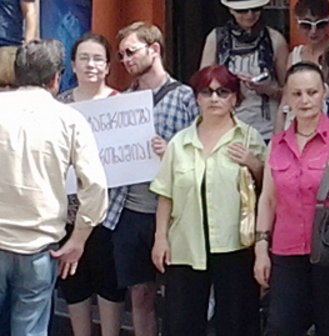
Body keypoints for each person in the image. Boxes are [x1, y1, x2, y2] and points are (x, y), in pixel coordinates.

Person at [253, 62, 329, 336]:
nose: (305, 100)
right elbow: (268, 199)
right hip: (286, 251)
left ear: (324, 93)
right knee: (281, 327)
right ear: (287, 97)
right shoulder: (277, 143)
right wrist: (261, 248)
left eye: (312, 92)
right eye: (297, 94)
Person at [0, 39, 107, 336]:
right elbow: (96, 185)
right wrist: (80, 238)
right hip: (40, 248)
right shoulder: (70, 119)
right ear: (56, 78)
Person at [150, 65, 265, 335]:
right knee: (182, 322)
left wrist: (252, 162)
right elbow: (165, 195)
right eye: (206, 92)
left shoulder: (250, 138)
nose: (214, 98)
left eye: (222, 92)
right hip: (186, 244)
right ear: (197, 98)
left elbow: (268, 191)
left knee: (237, 322)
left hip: (235, 244)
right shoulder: (179, 142)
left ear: (235, 98)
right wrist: (160, 238)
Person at [107, 22, 199, 336]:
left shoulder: (185, 96)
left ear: (154, 49)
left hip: (174, 211)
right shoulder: (122, 101)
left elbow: (202, 151)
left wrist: (171, 152)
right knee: (139, 294)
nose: (126, 60)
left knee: (179, 296)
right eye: (121, 55)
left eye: (131, 52)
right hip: (129, 209)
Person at [56, 33, 125, 336]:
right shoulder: (58, 105)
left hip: (111, 216)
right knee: (74, 286)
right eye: (84, 58)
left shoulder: (123, 104)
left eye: (98, 58)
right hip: (67, 215)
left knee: (110, 287)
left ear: (108, 66)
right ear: (73, 64)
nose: (91, 65)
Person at [199, 0, 289, 142]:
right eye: (243, 10)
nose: (250, 15)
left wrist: (268, 89)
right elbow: (203, 86)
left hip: (266, 130)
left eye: (255, 9)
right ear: (231, 10)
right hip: (227, 130)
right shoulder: (216, 38)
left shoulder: (275, 40)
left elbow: (289, 92)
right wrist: (227, 82)